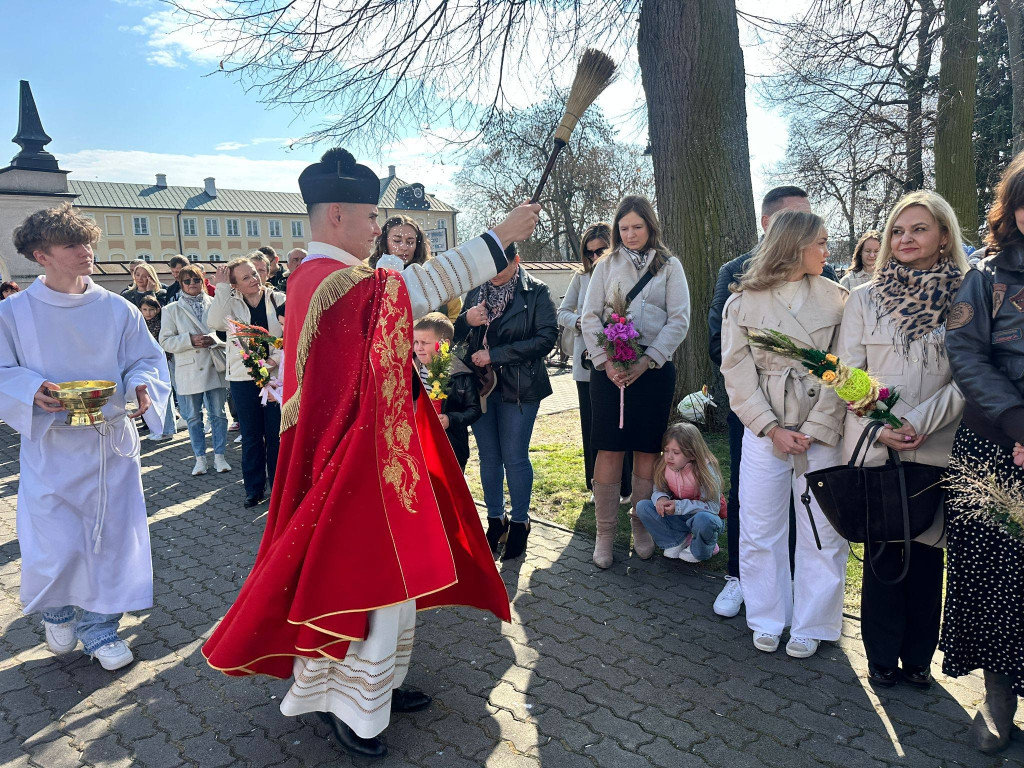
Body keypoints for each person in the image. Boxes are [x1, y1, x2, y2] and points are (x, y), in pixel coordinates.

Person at [201, 147, 538, 760]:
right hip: (349, 461)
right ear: (335, 214)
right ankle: (348, 706)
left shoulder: (322, 278)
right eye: (367, 216)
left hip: (365, 453)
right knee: (363, 582)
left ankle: (378, 689)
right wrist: (497, 240)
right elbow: (403, 297)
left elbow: (393, 305)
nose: (375, 228)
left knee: (391, 581)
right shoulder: (331, 280)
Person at [0, 202, 169, 670]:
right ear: (41, 255)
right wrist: (30, 389)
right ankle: (56, 610)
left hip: (109, 443)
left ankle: (100, 629)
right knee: (56, 541)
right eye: (72, 244)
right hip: (51, 446)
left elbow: (147, 360)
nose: (86, 251)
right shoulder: (14, 313)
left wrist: (142, 386)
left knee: (112, 538)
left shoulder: (117, 308)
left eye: (88, 242)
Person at [837, 192, 966, 689]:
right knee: (884, 555)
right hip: (878, 443)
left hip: (935, 444)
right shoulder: (865, 298)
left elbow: (968, 374)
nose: (905, 239)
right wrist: (881, 422)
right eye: (897, 230)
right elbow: (848, 371)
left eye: (918, 229)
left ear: (944, 236)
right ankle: (881, 659)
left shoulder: (966, 297)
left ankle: (918, 660)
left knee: (927, 555)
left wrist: (920, 422)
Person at [720, 209, 848, 659]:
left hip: (821, 431)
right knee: (759, 524)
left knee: (822, 528)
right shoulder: (744, 302)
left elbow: (848, 370)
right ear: (796, 247)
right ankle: (768, 615)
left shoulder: (838, 300)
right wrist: (770, 428)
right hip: (765, 432)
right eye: (822, 243)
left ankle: (814, 622)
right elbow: (735, 371)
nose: (827, 252)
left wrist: (814, 427)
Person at [941, 151, 1024, 754]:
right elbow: (965, 353)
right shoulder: (983, 276)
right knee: (995, 579)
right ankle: (997, 703)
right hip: (994, 446)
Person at [581, 195, 690, 570]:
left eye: (637, 227)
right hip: (609, 368)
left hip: (652, 370)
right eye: (623, 228)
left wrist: (647, 360)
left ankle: (642, 526)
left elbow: (679, 319)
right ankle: (605, 534)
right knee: (609, 449)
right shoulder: (606, 265)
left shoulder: (670, 266)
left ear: (650, 226)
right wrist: (606, 362)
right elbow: (590, 316)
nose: (630, 234)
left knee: (647, 450)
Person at [456, 249, 557, 561]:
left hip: (520, 387)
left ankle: (520, 522)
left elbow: (546, 339)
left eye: (501, 265)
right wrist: (464, 320)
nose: (494, 272)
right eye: (488, 266)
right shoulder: (475, 291)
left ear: (517, 261)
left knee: (514, 458)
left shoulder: (536, 291)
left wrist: (496, 355)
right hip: (481, 386)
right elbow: (454, 338)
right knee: (488, 458)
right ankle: (495, 520)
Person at [557, 222, 632, 498]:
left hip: (622, 360)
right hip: (588, 364)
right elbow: (562, 311)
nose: (595, 257)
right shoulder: (582, 277)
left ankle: (627, 486)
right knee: (592, 426)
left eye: (600, 250)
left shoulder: (627, 273)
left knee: (623, 424)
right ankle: (595, 484)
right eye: (589, 253)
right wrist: (579, 322)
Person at [207, 255, 285, 508]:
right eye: (245, 277)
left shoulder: (278, 299)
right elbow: (214, 322)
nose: (253, 279)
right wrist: (220, 287)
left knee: (276, 435)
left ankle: (279, 487)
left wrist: (274, 359)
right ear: (235, 285)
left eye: (254, 273)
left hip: (275, 379)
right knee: (251, 436)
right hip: (243, 378)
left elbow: (292, 336)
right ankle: (254, 489)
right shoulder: (230, 303)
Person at [159, 264, 231, 476]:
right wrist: (189, 340)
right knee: (193, 417)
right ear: (180, 284)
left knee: (218, 415)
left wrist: (215, 340)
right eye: (187, 281)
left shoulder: (214, 302)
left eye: (196, 280)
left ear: (202, 281)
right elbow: (165, 341)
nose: (192, 285)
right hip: (189, 369)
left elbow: (227, 332)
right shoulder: (170, 309)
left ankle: (220, 456)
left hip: (213, 365)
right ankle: (200, 458)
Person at [635, 422, 726, 563]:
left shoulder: (705, 471)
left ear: (692, 454)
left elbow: (713, 508)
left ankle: (703, 548)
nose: (669, 457)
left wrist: (679, 507)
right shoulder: (666, 466)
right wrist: (661, 499)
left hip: (707, 518)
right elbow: (659, 488)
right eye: (666, 450)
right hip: (680, 515)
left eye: (676, 452)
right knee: (643, 507)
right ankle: (678, 540)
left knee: (704, 520)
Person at [413, 312, 481, 471]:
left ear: (444, 343)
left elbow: (474, 410)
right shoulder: (410, 371)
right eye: (416, 342)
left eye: (425, 342)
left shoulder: (460, 374)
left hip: (450, 446)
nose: (418, 348)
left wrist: (451, 419)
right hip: (418, 444)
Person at [370, 215, 462, 322]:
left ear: (417, 244)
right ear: (385, 242)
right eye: (396, 241)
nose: (404, 247)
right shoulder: (368, 274)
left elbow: (454, 320)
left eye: (410, 242)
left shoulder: (436, 275)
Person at [140, 296, 178, 442]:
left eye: (151, 309)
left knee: (165, 395)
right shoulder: (142, 324)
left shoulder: (161, 324)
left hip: (164, 361)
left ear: (157, 309)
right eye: (145, 309)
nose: (148, 313)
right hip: (148, 363)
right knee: (154, 396)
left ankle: (167, 430)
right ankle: (159, 428)